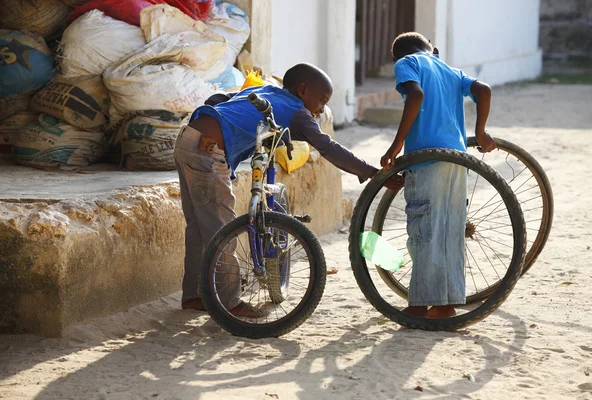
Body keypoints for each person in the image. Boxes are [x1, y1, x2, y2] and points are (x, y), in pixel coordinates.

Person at [175, 62, 403, 316]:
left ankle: (195, 296)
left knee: (198, 225)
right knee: (221, 227)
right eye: (321, 101)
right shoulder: (297, 111)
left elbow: (219, 98)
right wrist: (371, 172)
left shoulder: (266, 91)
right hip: (208, 151)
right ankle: (229, 303)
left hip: (189, 138)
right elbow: (327, 147)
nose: (320, 110)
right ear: (303, 90)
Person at [380, 32, 496, 319]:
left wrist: (396, 146)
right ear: (434, 50)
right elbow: (484, 90)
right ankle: (446, 304)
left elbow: (416, 95)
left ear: (398, 57)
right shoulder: (449, 69)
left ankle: (419, 305)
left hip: (426, 159)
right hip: (457, 160)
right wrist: (480, 132)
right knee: (450, 231)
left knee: (424, 231)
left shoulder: (406, 63)